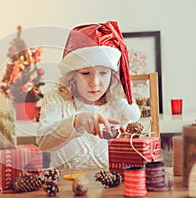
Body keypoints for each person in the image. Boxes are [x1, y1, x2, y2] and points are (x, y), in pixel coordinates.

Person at [36, 21, 141, 169]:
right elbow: (43, 142)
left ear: (112, 75)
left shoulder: (120, 103)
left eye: (103, 73)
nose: (95, 82)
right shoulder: (56, 98)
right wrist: (76, 121)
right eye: (86, 73)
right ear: (72, 76)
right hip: (66, 186)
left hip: (111, 185)